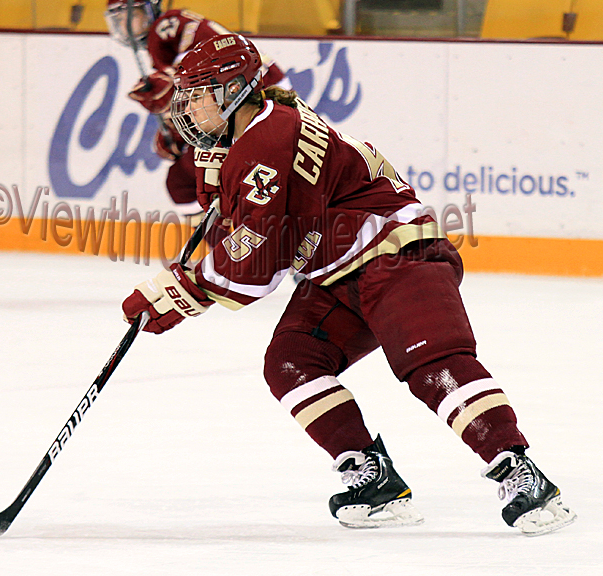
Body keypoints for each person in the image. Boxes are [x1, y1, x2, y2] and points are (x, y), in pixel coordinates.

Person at [121, 34, 577, 535]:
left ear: (232, 91)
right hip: (338, 272)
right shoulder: (260, 126)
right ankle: (374, 479)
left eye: (197, 93)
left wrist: (178, 290)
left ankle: (520, 471)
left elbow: (253, 267)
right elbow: (236, 221)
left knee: (432, 364)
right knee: (291, 363)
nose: (187, 107)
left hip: (398, 253)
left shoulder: (264, 144)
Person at [105, 0, 289, 213]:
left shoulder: (163, 29)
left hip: (252, 103)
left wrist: (170, 98)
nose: (123, 25)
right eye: (116, 19)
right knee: (191, 181)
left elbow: (193, 84)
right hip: (258, 100)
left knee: (183, 184)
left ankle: (230, 239)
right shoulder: (171, 29)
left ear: (149, 9)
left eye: (129, 15)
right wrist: (176, 129)